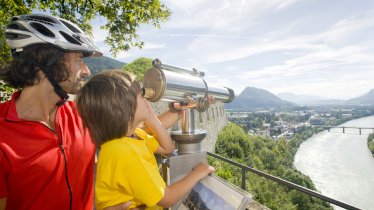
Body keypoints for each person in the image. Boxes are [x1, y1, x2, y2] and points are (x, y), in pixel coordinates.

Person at [0, 13, 178, 210]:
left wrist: (177, 111)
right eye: (79, 61)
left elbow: (132, 127)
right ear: (46, 64)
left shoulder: (80, 114)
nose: (86, 71)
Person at [76, 70, 215, 210]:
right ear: (126, 108)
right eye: (141, 96)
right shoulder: (123, 151)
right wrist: (198, 172)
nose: (146, 99)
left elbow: (168, 148)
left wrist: (152, 119)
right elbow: (167, 199)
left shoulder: (134, 136)